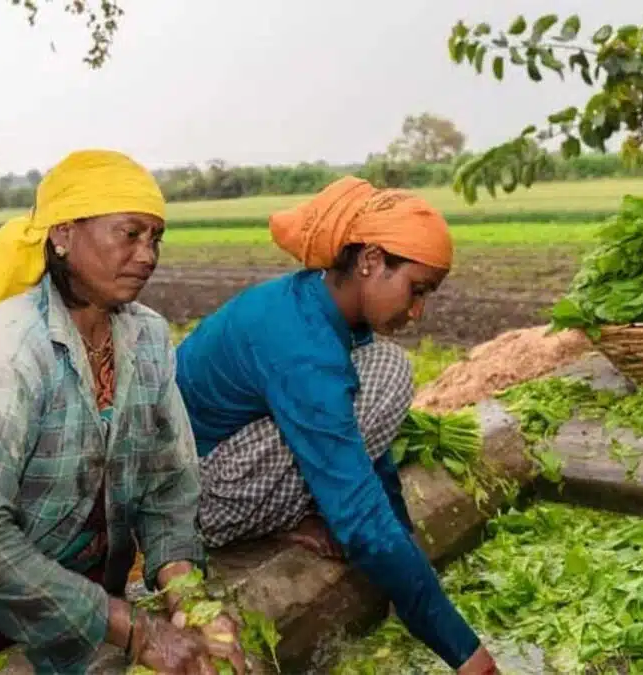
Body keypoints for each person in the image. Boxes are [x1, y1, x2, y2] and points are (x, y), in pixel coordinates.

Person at [0, 149, 245, 675]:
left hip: (58, 567)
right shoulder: (6, 351)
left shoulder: (147, 338)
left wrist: (189, 601)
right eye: (130, 233)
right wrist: (134, 627)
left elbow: (167, 487)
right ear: (64, 235)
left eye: (155, 238)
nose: (147, 255)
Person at [174, 176, 501, 675]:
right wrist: (468, 656)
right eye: (416, 290)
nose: (417, 311)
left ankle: (296, 517)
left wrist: (405, 544)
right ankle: (286, 521)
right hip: (197, 499)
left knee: (384, 369)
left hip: (234, 467)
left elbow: (374, 452)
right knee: (378, 385)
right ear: (370, 261)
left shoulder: (320, 305)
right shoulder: (299, 344)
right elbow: (358, 511)